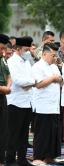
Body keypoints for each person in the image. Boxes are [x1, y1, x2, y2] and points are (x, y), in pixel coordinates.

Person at [31, 43, 62, 165]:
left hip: (54, 105)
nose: (55, 58)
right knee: (42, 133)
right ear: (45, 54)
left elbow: (61, 80)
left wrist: (57, 78)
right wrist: (53, 79)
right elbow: (38, 84)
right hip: (42, 106)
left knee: (53, 133)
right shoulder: (37, 67)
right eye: (53, 55)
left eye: (56, 55)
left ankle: (50, 156)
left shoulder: (54, 67)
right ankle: (38, 157)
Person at [6, 36, 35, 166]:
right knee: (14, 133)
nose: (28, 52)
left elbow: (32, 78)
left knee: (24, 134)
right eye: (26, 49)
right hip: (15, 102)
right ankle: (10, 159)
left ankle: (22, 159)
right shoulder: (12, 62)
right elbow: (19, 81)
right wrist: (31, 82)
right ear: (18, 49)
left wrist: (30, 82)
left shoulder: (27, 62)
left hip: (27, 102)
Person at [0, 34, 12, 166]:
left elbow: (9, 75)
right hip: (2, 91)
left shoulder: (2, 59)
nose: (3, 51)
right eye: (1, 48)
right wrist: (4, 89)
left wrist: (8, 87)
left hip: (3, 96)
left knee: (3, 130)